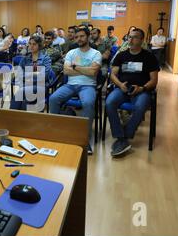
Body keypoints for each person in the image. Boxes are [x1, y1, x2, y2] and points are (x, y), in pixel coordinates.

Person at [106, 28, 159, 157]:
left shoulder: (149, 57)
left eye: (135, 37)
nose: (131, 39)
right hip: (122, 88)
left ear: (141, 40)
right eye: (129, 37)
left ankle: (125, 136)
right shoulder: (122, 55)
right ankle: (120, 136)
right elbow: (112, 74)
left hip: (141, 90)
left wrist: (142, 88)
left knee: (140, 106)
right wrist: (119, 84)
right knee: (109, 102)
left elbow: (154, 80)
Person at [49, 27, 102, 155]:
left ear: (88, 37)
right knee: (53, 99)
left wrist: (75, 67)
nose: (79, 39)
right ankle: (57, 133)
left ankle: (85, 140)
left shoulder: (96, 53)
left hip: (88, 86)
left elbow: (93, 71)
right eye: (77, 37)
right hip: (70, 85)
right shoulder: (72, 52)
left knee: (88, 103)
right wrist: (85, 68)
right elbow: (66, 71)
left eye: (82, 36)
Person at [10, 36, 52, 111]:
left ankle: (11, 118)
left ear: (39, 46)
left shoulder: (46, 58)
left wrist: (27, 75)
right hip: (26, 85)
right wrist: (35, 73)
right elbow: (19, 74)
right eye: (30, 44)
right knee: (24, 101)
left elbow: (44, 76)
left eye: (34, 44)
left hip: (41, 86)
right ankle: (16, 120)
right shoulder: (25, 58)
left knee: (20, 93)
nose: (31, 46)